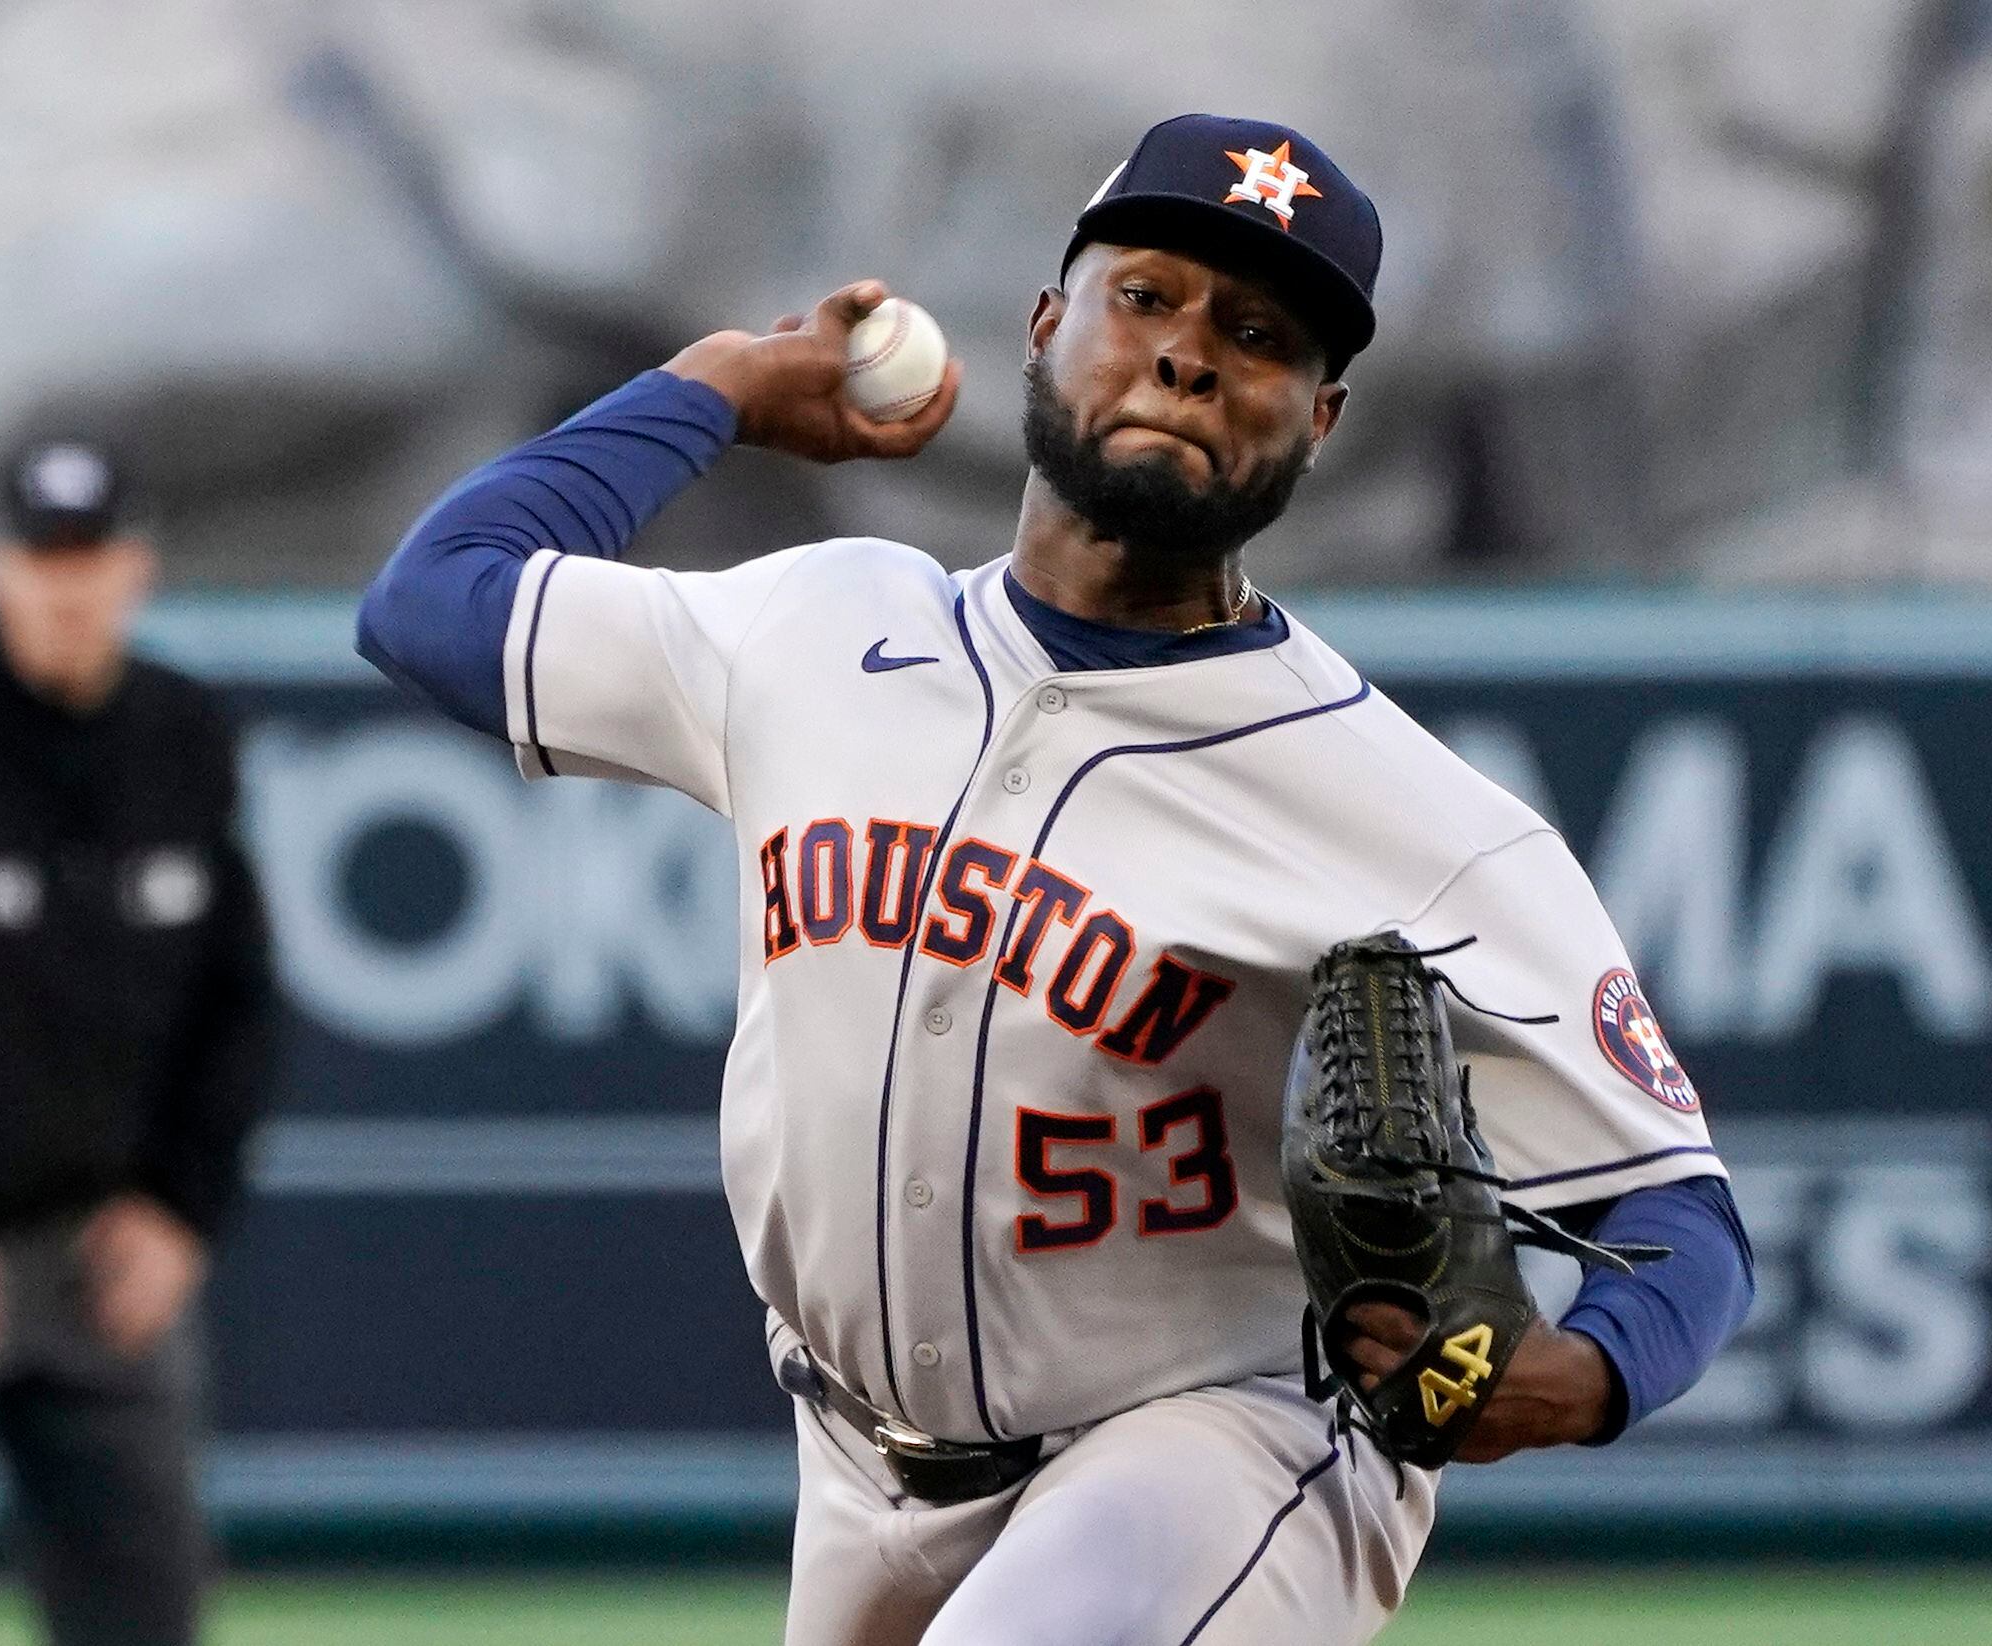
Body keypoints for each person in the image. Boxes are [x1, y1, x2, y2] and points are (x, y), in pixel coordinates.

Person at [359, 113, 1754, 1645]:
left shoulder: (1401, 809)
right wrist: (720, 387)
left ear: (1320, 417)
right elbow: (434, 602)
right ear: (1047, 324)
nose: (1186, 356)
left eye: (1258, 335)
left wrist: (1591, 1369)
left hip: (1214, 1441)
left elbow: (1676, 1209)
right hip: (853, 1460)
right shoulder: (815, 631)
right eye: (1142, 296)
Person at [0, 438, 275, 1646]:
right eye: (42, 559)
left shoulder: (185, 741)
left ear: (136, 567)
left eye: (90, 558)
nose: (67, 589)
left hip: (106, 1251)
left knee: (150, 1584)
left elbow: (239, 1001)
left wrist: (181, 1207)